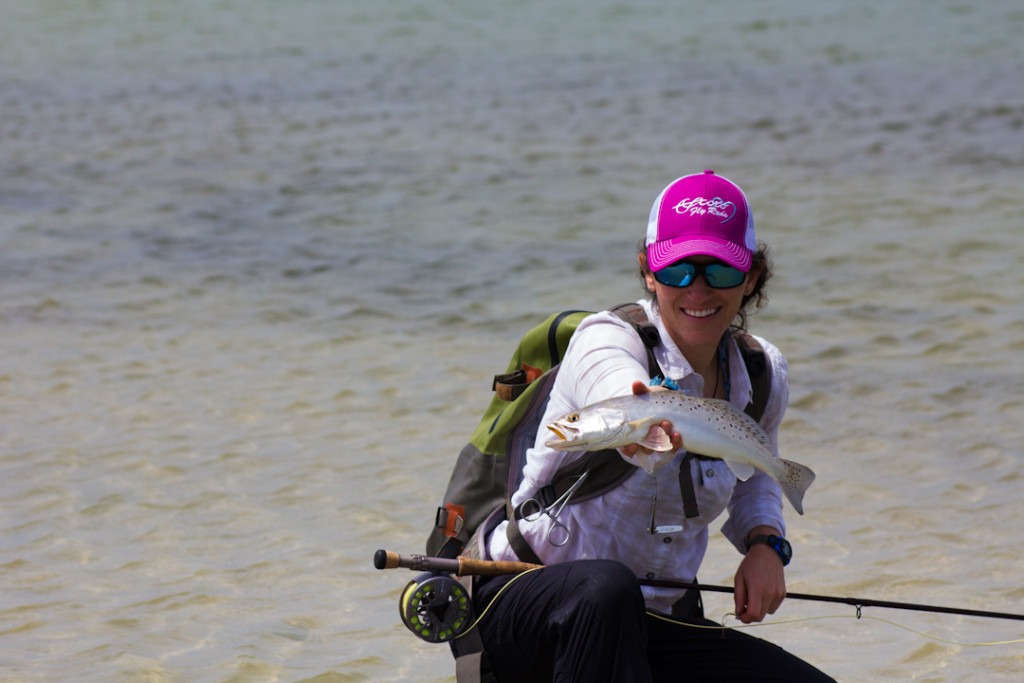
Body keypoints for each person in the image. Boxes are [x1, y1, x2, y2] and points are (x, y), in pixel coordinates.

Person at [470, 170, 833, 681]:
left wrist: (765, 545)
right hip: (527, 597)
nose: (699, 290)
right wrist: (640, 429)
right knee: (606, 589)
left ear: (750, 277)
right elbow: (616, 391)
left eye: (721, 272)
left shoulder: (761, 372)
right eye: (679, 270)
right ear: (648, 270)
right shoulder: (605, 339)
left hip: (655, 618)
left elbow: (755, 476)